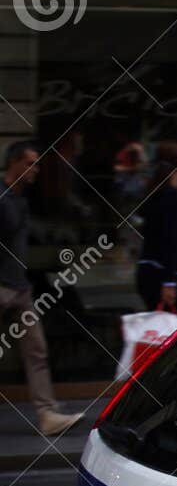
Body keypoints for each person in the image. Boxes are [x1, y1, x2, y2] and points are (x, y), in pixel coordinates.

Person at [0, 141, 85, 437]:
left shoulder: (20, 199)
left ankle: (47, 414)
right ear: (13, 164)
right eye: (30, 163)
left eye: (36, 164)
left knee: (36, 350)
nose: (35, 170)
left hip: (20, 289)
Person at [136, 142, 177, 316]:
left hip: (148, 271)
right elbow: (171, 241)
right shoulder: (174, 198)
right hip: (175, 275)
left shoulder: (152, 195)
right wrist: (169, 282)